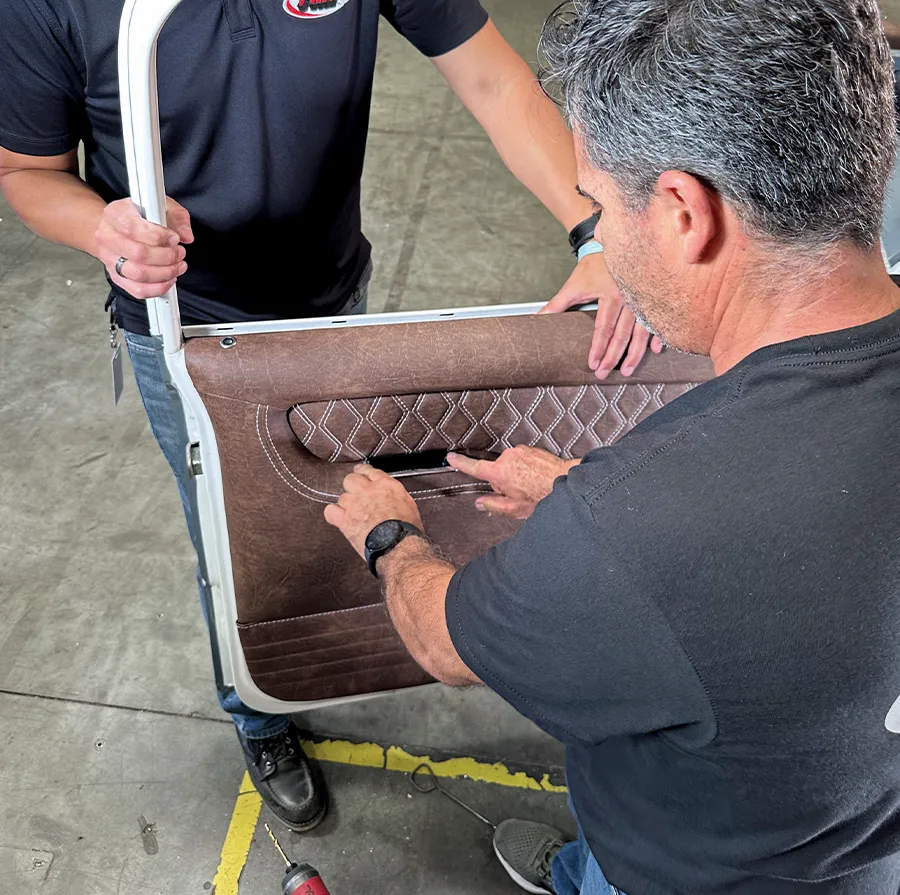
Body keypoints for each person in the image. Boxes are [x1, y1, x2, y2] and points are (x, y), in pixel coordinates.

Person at [0, 1, 659, 831]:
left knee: (342, 504)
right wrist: (105, 229)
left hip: (330, 308)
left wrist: (601, 236)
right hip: (184, 330)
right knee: (233, 540)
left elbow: (493, 78)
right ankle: (257, 709)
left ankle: (342, 644)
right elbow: (27, 171)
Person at [324, 0, 900, 892]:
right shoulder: (640, 521)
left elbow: (442, 644)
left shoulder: (630, 528)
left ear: (681, 211)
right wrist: (592, 505)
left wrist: (390, 535)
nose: (601, 237)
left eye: (595, 205)